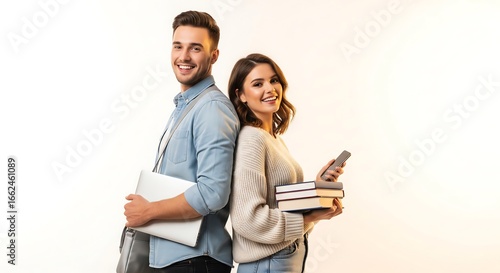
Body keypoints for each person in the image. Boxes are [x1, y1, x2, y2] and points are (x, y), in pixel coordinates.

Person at [123, 11, 240, 273]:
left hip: (195, 261)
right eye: (178, 46)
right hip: (176, 259)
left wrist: (150, 211)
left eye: (195, 48)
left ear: (214, 56)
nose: (184, 57)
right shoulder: (186, 107)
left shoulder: (211, 109)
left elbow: (213, 193)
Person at [228, 53, 345, 273]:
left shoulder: (272, 138)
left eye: (274, 80)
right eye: (257, 84)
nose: (270, 88)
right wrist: (310, 216)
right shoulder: (251, 139)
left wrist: (316, 191)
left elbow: (280, 204)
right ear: (241, 94)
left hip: (282, 257)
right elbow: (247, 219)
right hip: (268, 262)